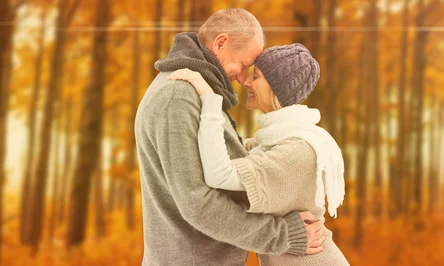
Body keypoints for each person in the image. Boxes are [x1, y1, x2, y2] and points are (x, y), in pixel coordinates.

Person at [135, 8, 326, 266]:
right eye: (245, 65)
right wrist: (283, 235)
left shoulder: (194, 92)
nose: (242, 78)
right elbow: (199, 205)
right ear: (221, 43)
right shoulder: (179, 97)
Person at [168, 43, 349, 265]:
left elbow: (219, 174)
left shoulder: (296, 151)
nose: (245, 81)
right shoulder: (271, 142)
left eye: (257, 76)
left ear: (276, 88)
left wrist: (209, 98)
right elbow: (226, 161)